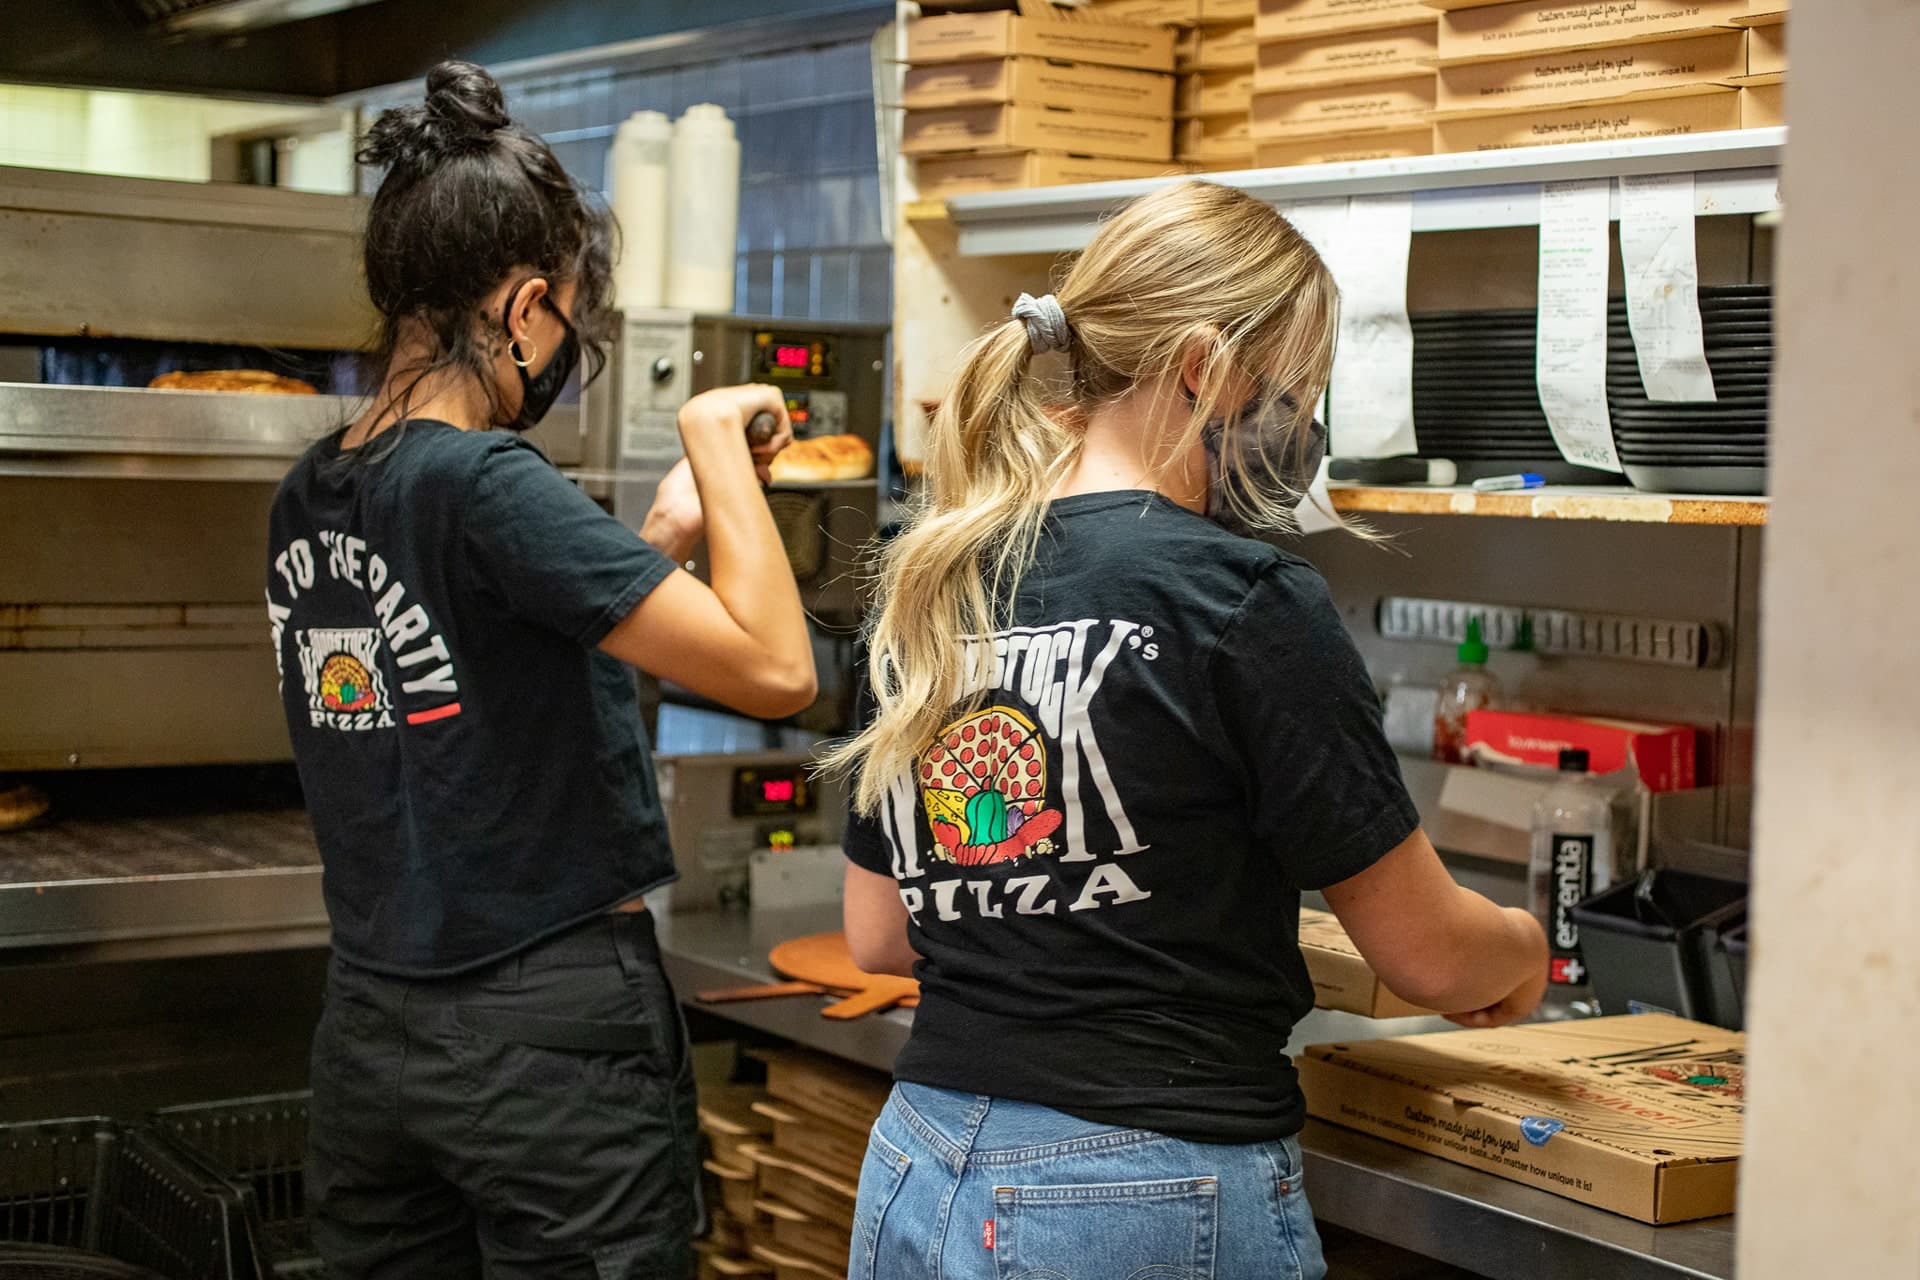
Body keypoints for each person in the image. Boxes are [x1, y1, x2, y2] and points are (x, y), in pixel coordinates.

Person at [827, 181, 1549, 1280]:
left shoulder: (937, 578)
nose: (1301, 431)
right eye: (1294, 392)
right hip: (1140, 1190)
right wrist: (1520, 945)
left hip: (921, 1163)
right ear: (1205, 366)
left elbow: (879, 932)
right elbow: (1424, 949)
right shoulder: (1245, 596)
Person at [264, 62, 815, 1280]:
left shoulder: (317, 487)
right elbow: (777, 669)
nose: (569, 345)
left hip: (372, 1026)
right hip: (544, 1041)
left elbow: (473, 646)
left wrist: (664, 536)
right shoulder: (482, 479)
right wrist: (716, 444)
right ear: (522, 307)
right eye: (570, 314)